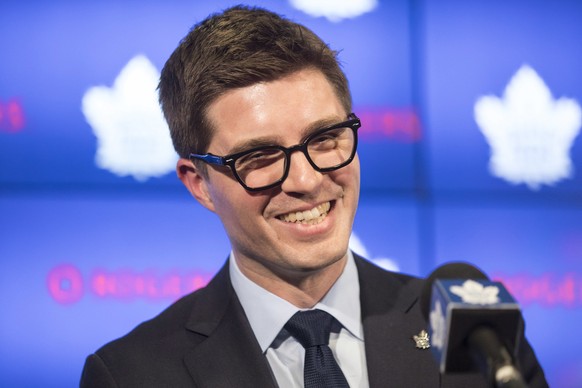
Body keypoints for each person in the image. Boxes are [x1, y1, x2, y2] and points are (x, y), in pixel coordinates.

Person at [80, 5, 547, 387]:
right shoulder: (131, 374)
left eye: (325, 138)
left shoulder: (478, 338)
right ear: (199, 182)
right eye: (260, 156)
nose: (305, 180)